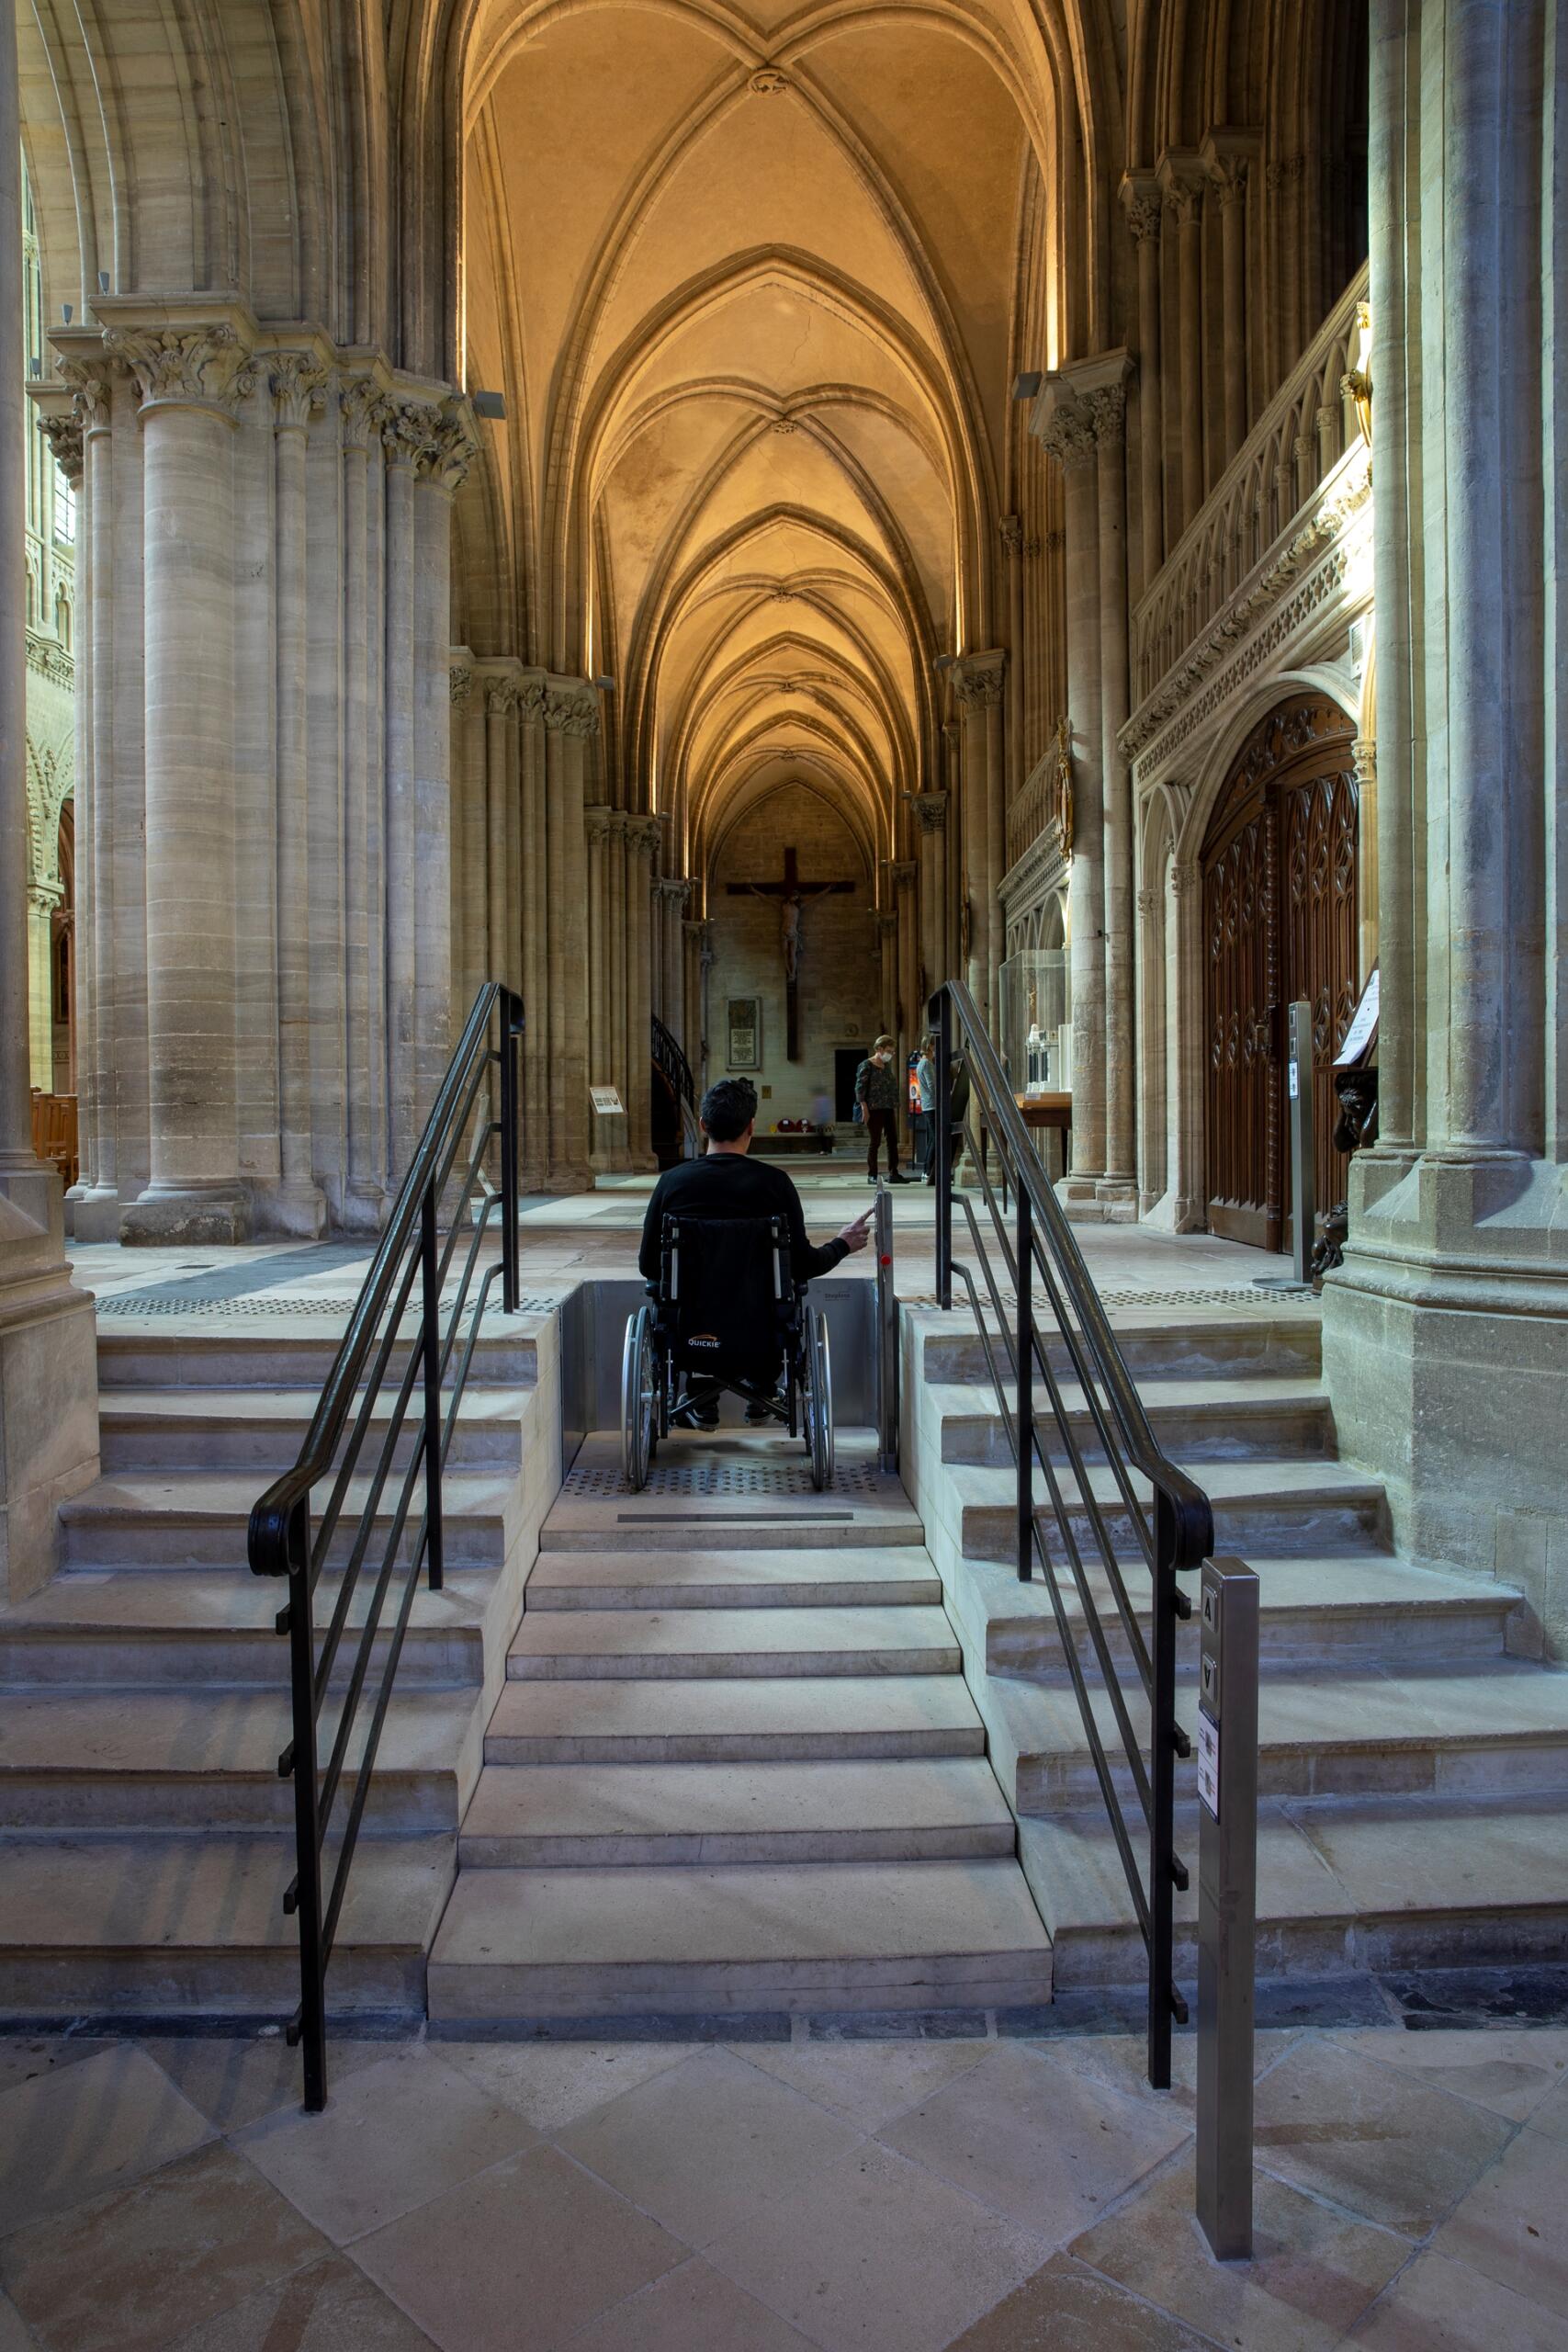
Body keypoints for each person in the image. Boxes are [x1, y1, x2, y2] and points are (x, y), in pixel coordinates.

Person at [639, 1077, 872, 1427]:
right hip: (763, 1338)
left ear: (703, 1126)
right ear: (751, 1126)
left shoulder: (672, 1183)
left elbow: (648, 1266)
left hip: (690, 1338)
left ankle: (701, 1395)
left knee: (685, 1308)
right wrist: (843, 1244)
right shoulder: (774, 1184)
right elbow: (804, 1265)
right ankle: (763, 1388)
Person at [853, 1035, 909, 1185]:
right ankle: (872, 1174)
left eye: (892, 1052)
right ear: (879, 1049)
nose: (891, 1054)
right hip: (873, 1109)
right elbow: (860, 1089)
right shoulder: (866, 1065)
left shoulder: (886, 1066)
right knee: (875, 1142)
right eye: (889, 1051)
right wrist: (864, 1109)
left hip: (888, 1107)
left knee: (892, 1140)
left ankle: (894, 1172)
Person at [912, 1036, 936, 1175]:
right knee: (935, 1138)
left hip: (928, 1105)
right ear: (931, 1047)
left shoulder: (923, 1062)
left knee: (933, 1138)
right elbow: (931, 1085)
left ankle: (927, 1170)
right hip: (932, 1105)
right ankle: (927, 1171)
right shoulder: (926, 1063)